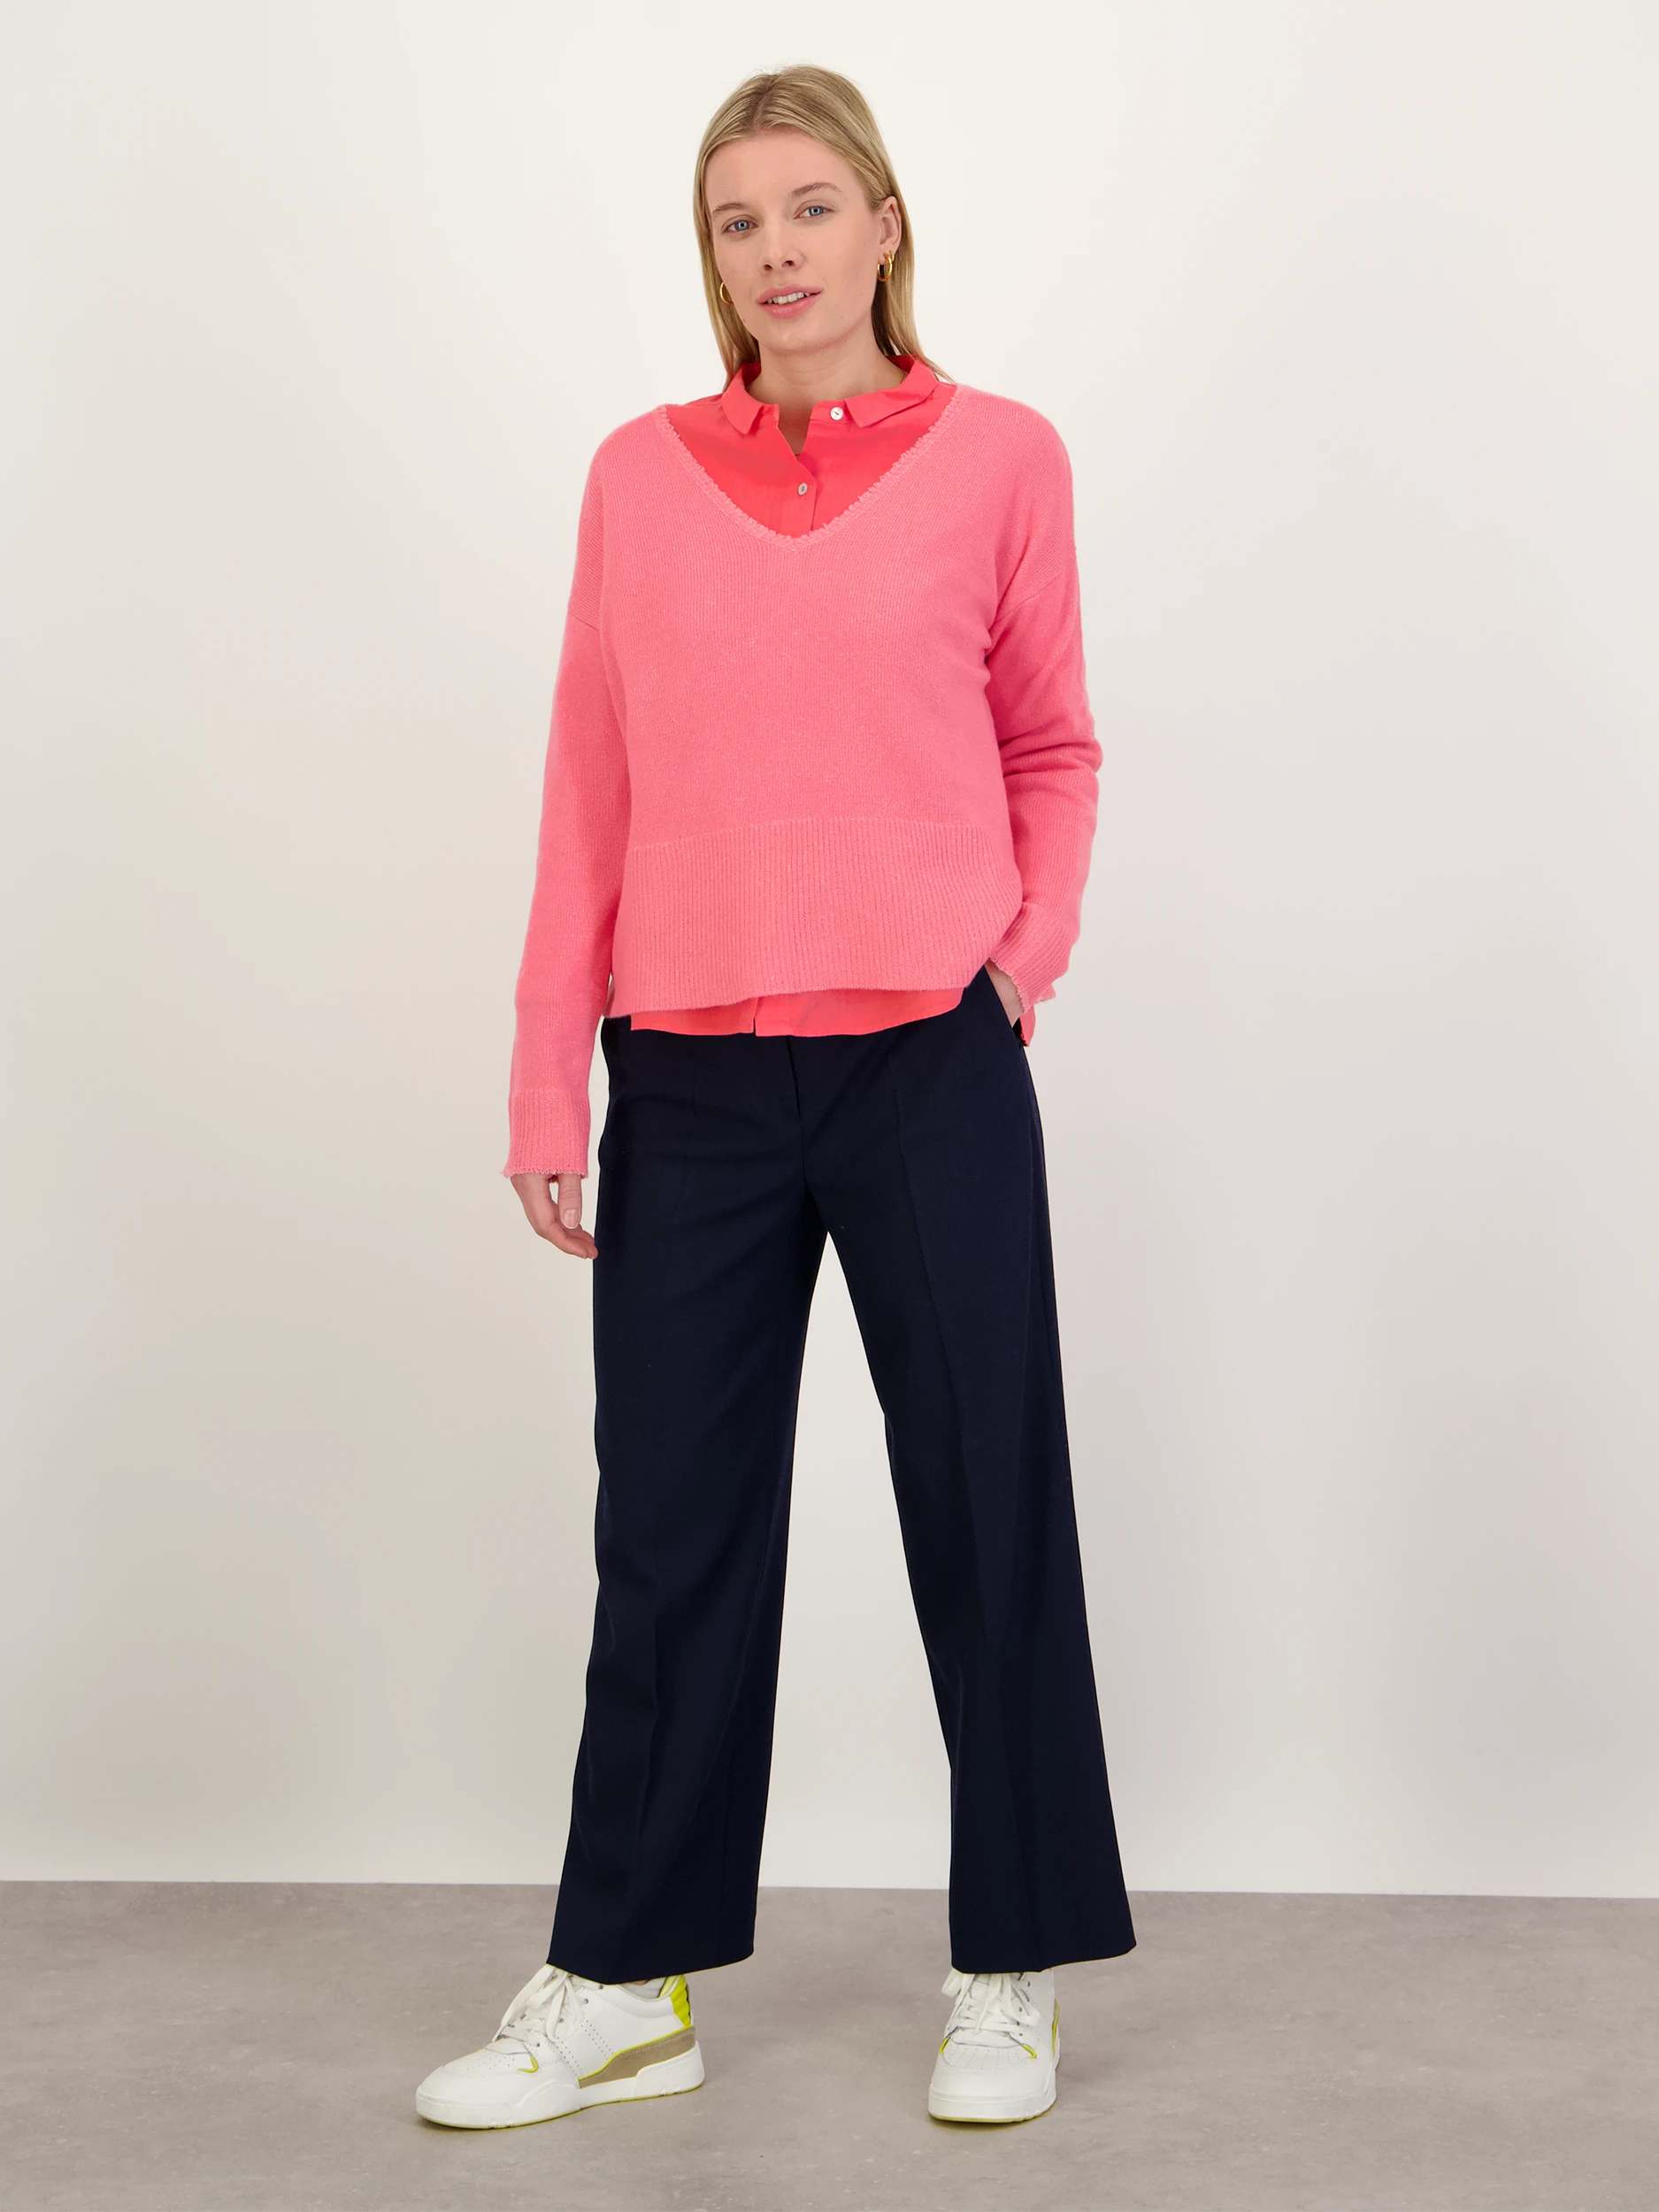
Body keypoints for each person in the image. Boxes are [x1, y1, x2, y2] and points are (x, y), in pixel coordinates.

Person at [416, 62, 1134, 2134]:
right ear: (712, 255)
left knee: (989, 1505)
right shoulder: (637, 477)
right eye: (739, 221)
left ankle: (1007, 1963)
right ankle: (625, 1978)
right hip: (694, 1079)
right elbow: (591, 780)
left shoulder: (1002, 456)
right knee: (668, 1527)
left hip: (929, 1060)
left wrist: (1015, 964)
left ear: (883, 223)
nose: (778, 251)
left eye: (812, 207)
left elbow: (1052, 744)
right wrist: (548, 1068)